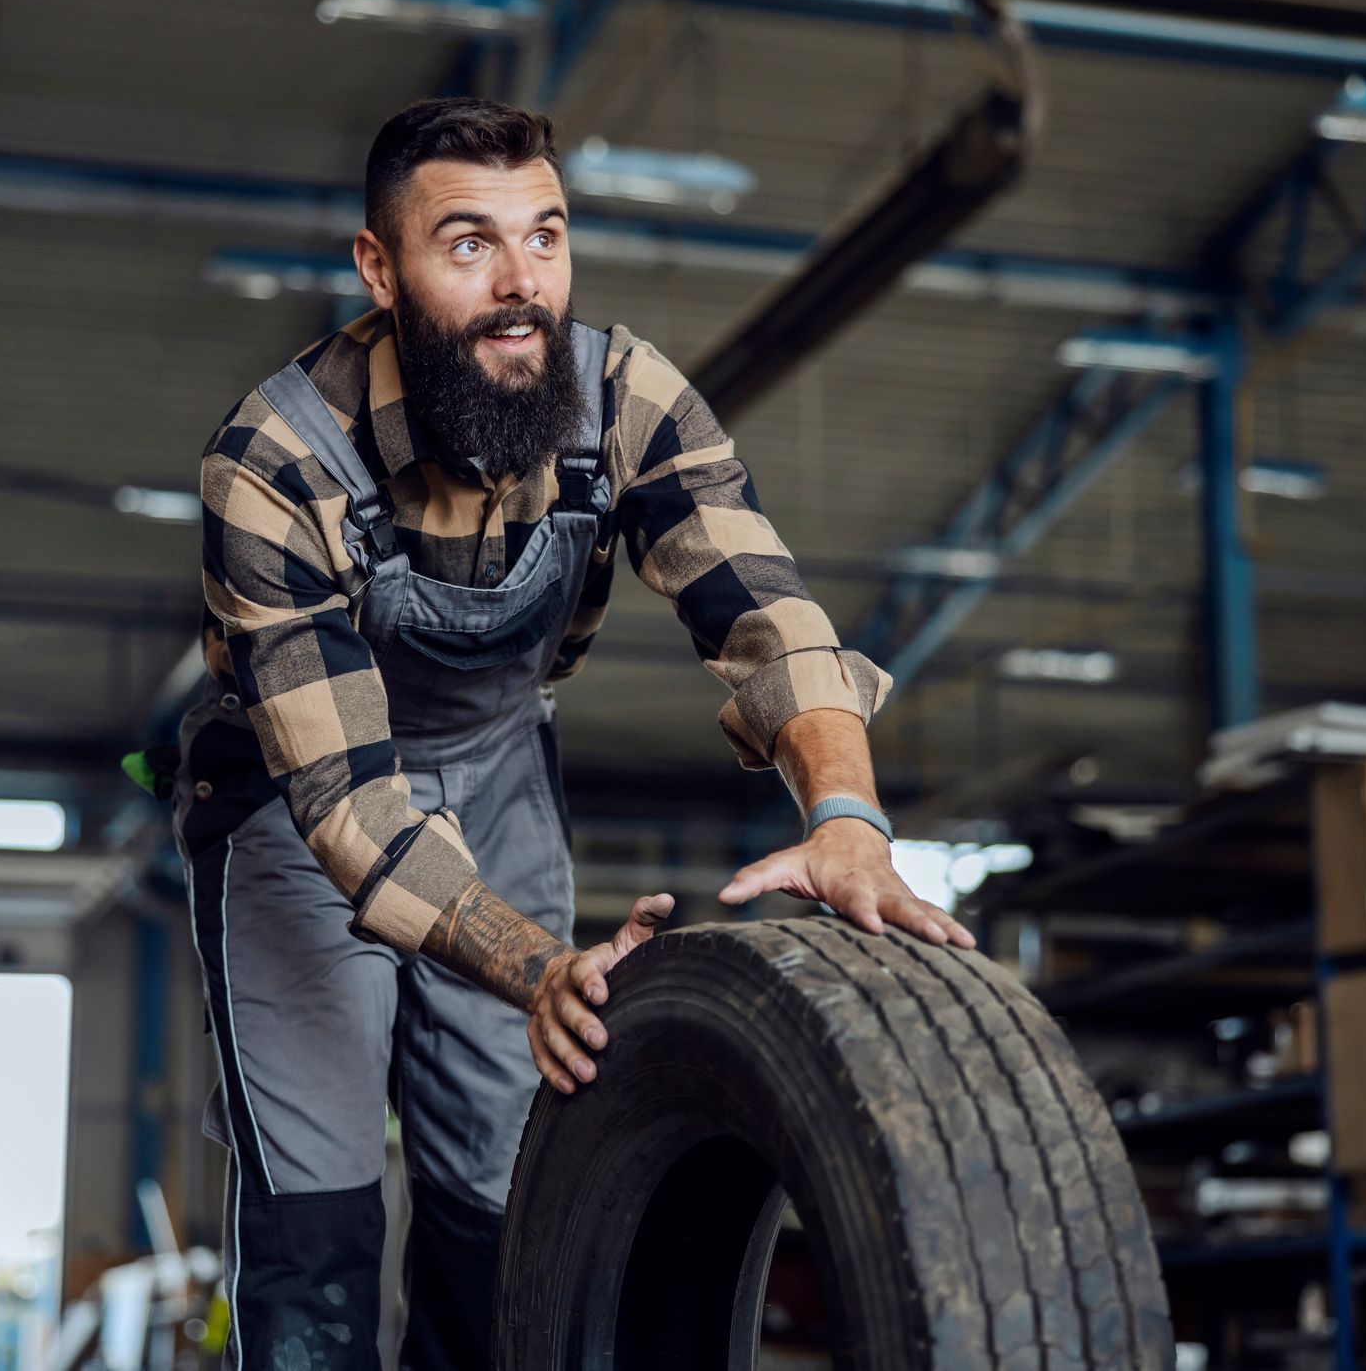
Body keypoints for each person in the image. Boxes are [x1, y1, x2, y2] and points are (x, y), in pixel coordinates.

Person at [172, 95, 975, 1371]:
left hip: (496, 780)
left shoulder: (621, 395)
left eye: (544, 237)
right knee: (315, 1235)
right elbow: (351, 805)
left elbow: (765, 607)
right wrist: (536, 960)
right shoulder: (278, 460)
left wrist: (846, 815)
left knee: (502, 1213)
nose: (519, 286)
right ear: (380, 268)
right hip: (296, 817)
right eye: (469, 243)